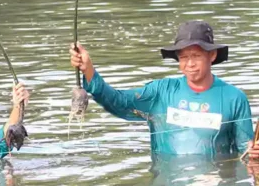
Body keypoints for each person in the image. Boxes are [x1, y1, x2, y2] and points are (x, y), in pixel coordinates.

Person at [70, 20, 254, 158]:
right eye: (183, 57)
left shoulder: (234, 98)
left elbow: (246, 153)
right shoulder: (160, 92)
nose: (189, 64)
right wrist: (89, 70)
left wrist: (254, 155)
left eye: (196, 56)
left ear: (212, 55)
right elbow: (118, 101)